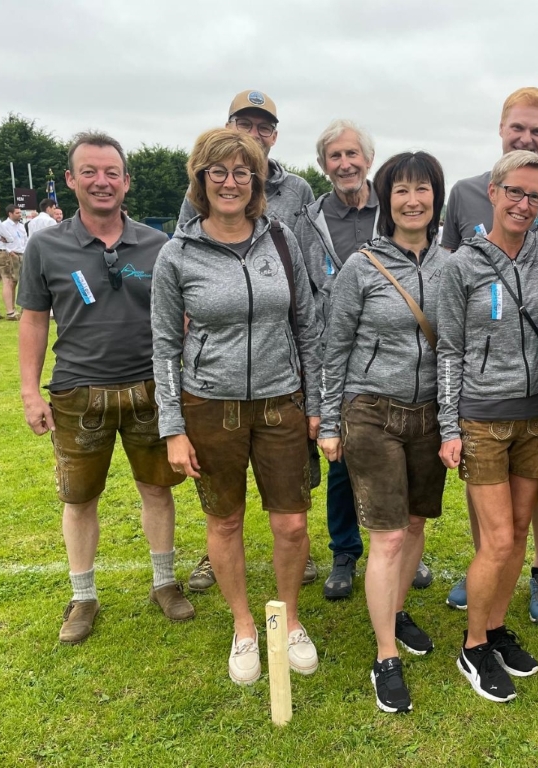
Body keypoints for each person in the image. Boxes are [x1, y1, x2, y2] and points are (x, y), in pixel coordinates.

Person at [151, 128, 322, 685]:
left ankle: (289, 619)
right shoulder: (177, 254)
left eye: (242, 172)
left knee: (292, 524)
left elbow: (308, 326)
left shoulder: (281, 241)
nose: (230, 182)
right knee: (224, 522)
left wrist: (316, 402)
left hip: (281, 402)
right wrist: (173, 427)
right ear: (201, 180)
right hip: (209, 405)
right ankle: (244, 626)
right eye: (218, 172)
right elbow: (164, 345)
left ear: (256, 181)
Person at [17, 131, 195, 645]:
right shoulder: (45, 245)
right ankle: (83, 596)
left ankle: (164, 582)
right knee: (79, 499)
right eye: (90, 172)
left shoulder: (158, 245)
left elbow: (181, 319)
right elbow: (33, 320)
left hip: (150, 388)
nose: (102, 182)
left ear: (126, 181)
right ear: (71, 180)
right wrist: (30, 392)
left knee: (157, 489)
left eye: (111, 173)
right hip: (78, 391)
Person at [318, 151, 448, 713]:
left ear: (437, 197)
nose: (413, 200)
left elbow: (455, 347)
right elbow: (335, 346)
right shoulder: (361, 266)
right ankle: (385, 654)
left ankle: (395, 612)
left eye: (423, 189)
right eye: (401, 190)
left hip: (429, 415)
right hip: (371, 410)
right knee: (389, 536)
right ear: (386, 200)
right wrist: (329, 421)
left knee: (416, 523)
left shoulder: (451, 264)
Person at [440, 87, 538, 623]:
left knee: (532, 503)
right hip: (483, 399)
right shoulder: (464, 194)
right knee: (496, 523)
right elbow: (450, 286)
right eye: (518, 127)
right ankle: (487, 569)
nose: (527, 137)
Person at [180, 89, 318, 596]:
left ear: (274, 136)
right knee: (223, 509)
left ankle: (295, 561)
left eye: (263, 126)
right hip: (215, 384)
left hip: (279, 376)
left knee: (292, 510)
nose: (253, 133)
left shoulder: (297, 191)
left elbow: (303, 285)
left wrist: (312, 385)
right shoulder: (196, 204)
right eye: (244, 123)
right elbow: (187, 266)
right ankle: (214, 553)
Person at [295, 119, 432, 599]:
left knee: (403, 466)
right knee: (340, 463)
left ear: (369, 160)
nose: (345, 163)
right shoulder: (310, 219)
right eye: (335, 156)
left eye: (352, 154)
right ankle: (345, 550)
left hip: (396, 352)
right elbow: (303, 286)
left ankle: (400, 548)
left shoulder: (394, 205)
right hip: (338, 350)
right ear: (323, 165)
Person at [437, 150, 538, 703]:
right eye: (515, 192)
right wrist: (449, 426)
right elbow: (448, 350)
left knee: (520, 532)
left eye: (535, 196)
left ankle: (498, 626)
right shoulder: (460, 265)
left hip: (537, 417)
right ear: (493, 191)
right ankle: (474, 645)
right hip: (483, 418)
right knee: (499, 538)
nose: (524, 204)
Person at [3, 204, 28, 310]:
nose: (19, 215)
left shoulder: (21, 226)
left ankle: (24, 307)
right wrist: (10, 252)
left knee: (25, 281)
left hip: (23, 254)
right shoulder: (4, 226)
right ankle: (11, 307)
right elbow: (1, 242)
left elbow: (25, 240)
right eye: (17, 213)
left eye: (20, 212)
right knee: (13, 281)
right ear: (10, 214)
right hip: (12, 255)